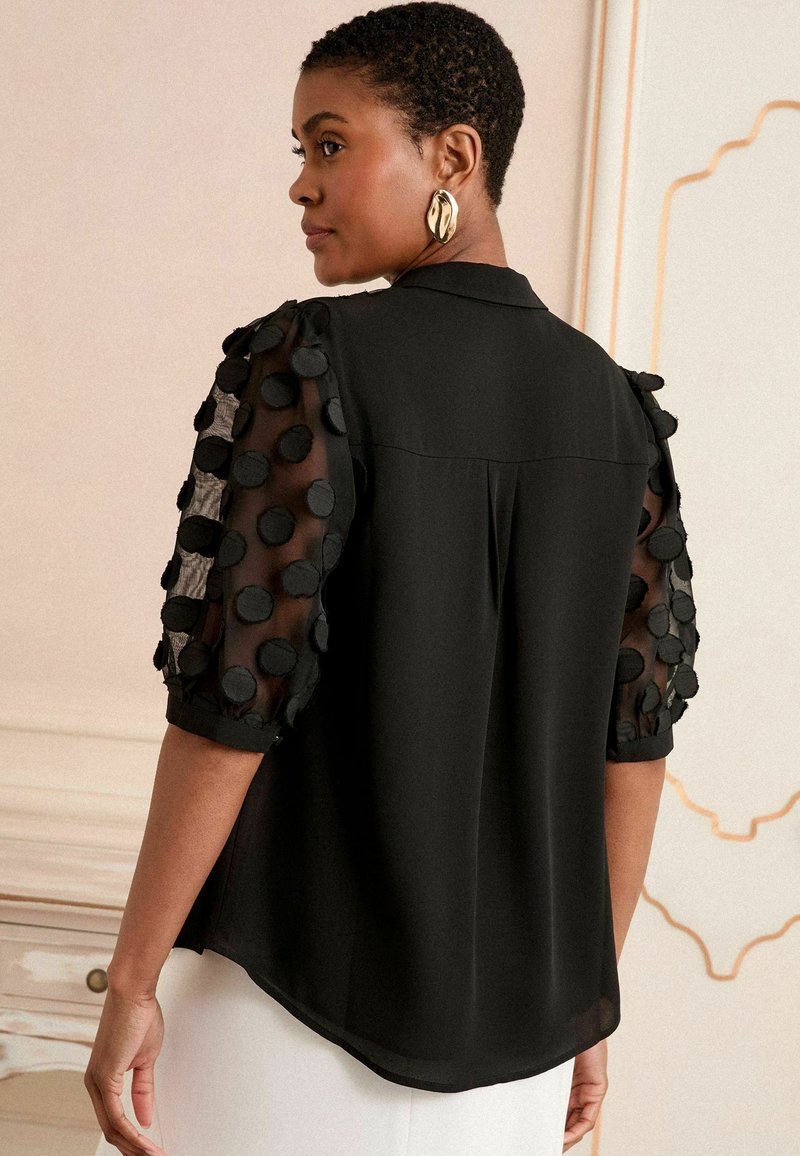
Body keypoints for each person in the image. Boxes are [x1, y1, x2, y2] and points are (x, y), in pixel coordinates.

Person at [85, 4, 699, 1154]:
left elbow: (229, 701)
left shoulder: (303, 363)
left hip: (282, 1000)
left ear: (453, 156)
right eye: (300, 151)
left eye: (330, 143)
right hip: (522, 1047)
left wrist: (130, 978)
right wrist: (587, 1009)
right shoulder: (618, 411)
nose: (301, 184)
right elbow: (635, 745)